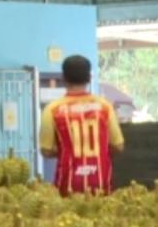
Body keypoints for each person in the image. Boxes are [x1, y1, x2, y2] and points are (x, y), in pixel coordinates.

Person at [39, 55, 125, 196]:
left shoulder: (52, 109)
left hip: (67, 185)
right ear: (89, 78)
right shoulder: (105, 107)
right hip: (100, 182)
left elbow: (46, 151)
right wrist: (100, 151)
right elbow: (118, 146)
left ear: (64, 78)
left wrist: (68, 151)